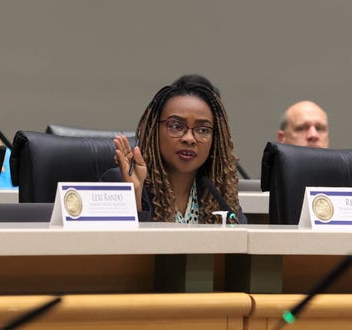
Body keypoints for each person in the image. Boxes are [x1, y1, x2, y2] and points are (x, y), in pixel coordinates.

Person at [103, 82, 245, 224]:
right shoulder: (121, 181)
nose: (189, 139)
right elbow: (116, 244)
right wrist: (134, 197)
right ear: (154, 131)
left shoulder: (219, 192)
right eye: (176, 126)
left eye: (203, 130)